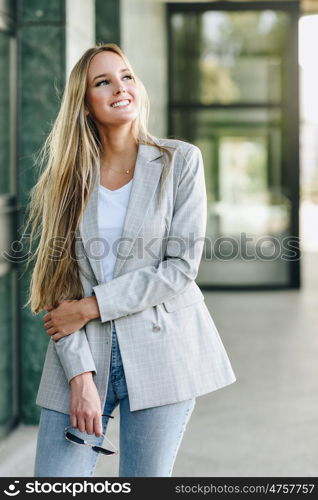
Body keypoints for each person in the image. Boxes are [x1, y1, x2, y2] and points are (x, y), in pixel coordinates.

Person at [23, 43, 236, 477]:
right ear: (84, 105)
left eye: (125, 76)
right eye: (103, 82)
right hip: (82, 355)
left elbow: (179, 268)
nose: (120, 87)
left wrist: (90, 306)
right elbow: (57, 292)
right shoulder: (65, 179)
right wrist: (80, 379)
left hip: (163, 349)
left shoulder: (180, 162)